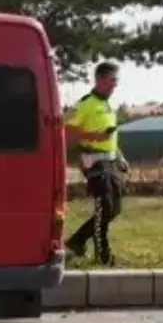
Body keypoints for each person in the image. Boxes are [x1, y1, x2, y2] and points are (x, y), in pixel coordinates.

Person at [64, 62, 128, 265]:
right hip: (94, 163)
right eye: (112, 81)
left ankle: (77, 241)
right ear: (100, 79)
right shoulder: (85, 104)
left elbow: (110, 137)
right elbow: (65, 130)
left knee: (114, 209)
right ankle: (104, 255)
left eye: (116, 82)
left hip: (110, 162)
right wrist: (93, 136)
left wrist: (120, 156)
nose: (115, 86)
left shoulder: (108, 106)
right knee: (105, 208)